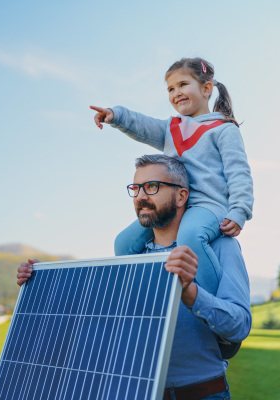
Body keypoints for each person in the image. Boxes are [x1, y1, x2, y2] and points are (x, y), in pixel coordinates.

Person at [17, 154, 251, 400]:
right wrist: (43, 282)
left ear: (181, 196)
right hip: (137, 392)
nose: (141, 196)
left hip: (203, 393)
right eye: (136, 188)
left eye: (152, 187)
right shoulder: (133, 258)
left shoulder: (221, 247)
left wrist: (191, 293)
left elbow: (239, 326)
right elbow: (95, 316)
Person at [90, 57, 253, 296]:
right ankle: (138, 297)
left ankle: (207, 296)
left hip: (209, 206)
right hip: (174, 206)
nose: (176, 92)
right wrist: (116, 115)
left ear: (206, 89)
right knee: (123, 243)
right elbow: (142, 125)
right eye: (170, 89)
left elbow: (239, 173)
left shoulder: (224, 130)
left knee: (190, 235)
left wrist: (240, 210)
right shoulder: (171, 128)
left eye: (183, 84)